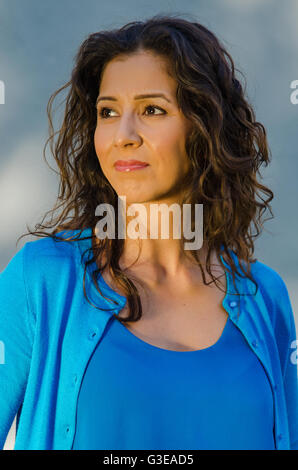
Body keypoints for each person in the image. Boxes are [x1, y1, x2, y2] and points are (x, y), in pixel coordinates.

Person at [0, 14, 297, 451]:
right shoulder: (41, 282)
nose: (123, 135)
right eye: (108, 111)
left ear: (204, 127)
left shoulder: (263, 298)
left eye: (152, 110)